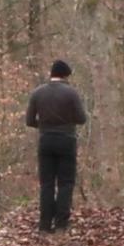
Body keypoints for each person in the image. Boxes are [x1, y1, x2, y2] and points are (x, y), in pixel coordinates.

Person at [26, 59, 87, 233]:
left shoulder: (37, 93)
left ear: (51, 74)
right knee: (66, 183)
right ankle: (61, 223)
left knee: (46, 184)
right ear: (66, 75)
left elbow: (30, 121)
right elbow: (82, 118)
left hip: (45, 140)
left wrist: (46, 126)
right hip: (66, 140)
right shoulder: (71, 93)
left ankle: (44, 225)